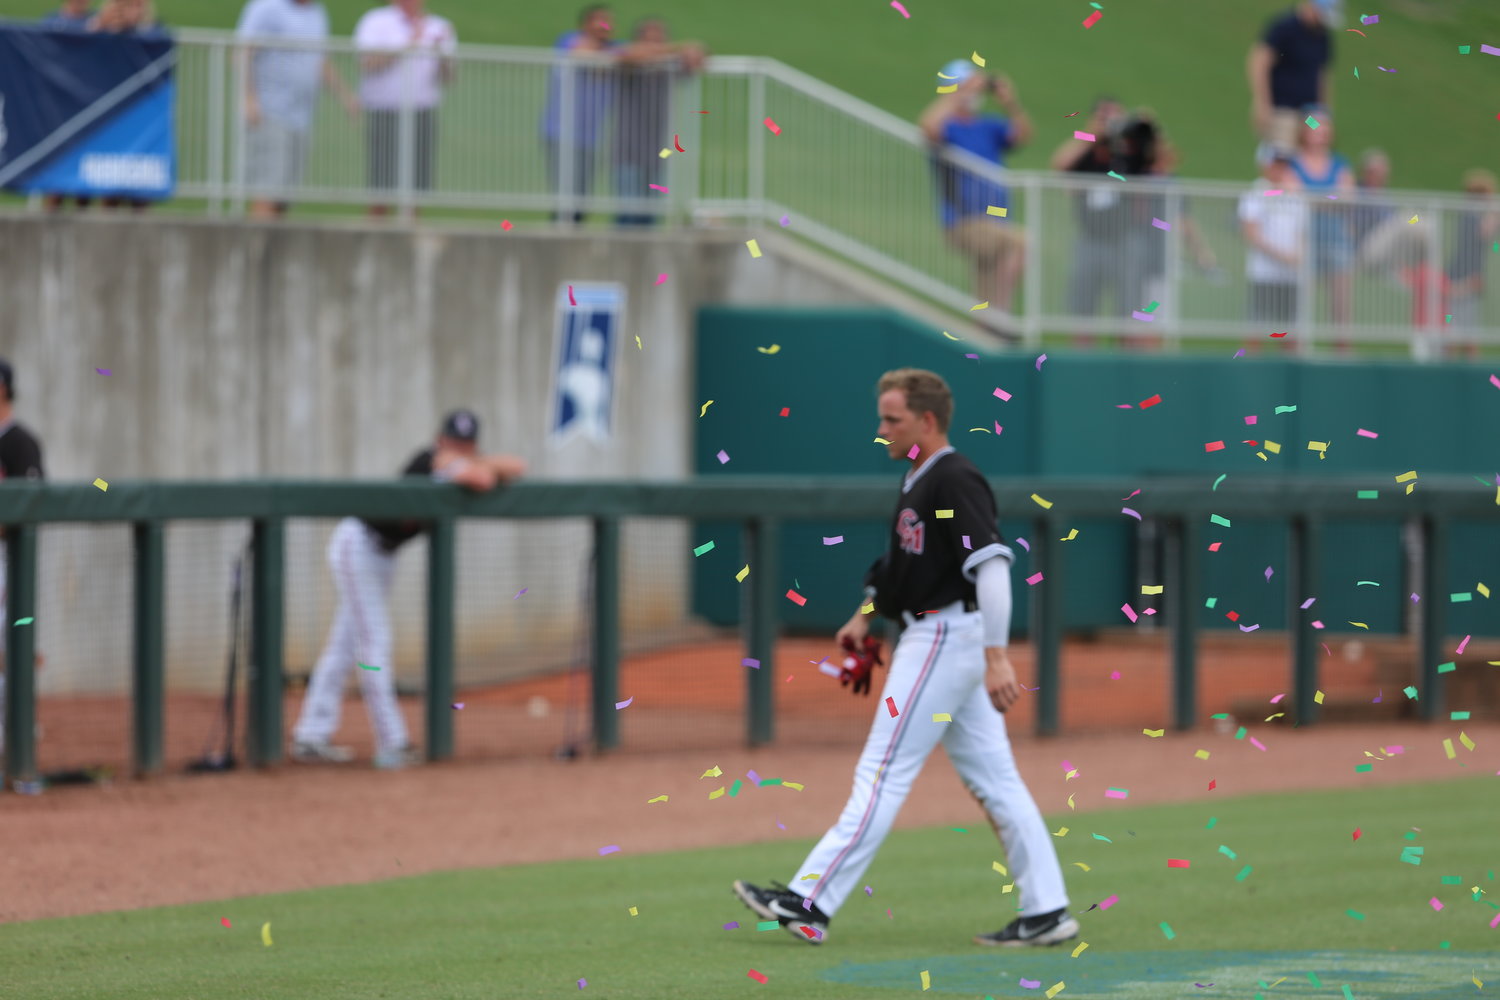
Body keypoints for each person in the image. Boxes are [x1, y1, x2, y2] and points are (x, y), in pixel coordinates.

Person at [733, 369, 1076, 949]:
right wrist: (867, 613)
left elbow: (992, 568)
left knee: (882, 771)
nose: (882, 428)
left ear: (928, 420)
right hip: (939, 635)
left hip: (947, 638)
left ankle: (810, 900)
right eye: (882, 417)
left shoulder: (955, 479)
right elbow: (904, 567)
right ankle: (1047, 910)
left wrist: (998, 657)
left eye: (892, 418)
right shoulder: (918, 476)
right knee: (997, 780)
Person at [289, 410, 525, 768]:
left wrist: (472, 458)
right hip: (359, 545)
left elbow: (516, 466)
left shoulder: (458, 460)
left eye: (466, 442)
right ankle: (392, 742)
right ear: (439, 438)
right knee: (375, 642)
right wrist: (467, 461)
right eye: (453, 440)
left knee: (343, 647)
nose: (457, 447)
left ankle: (310, 734)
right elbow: (480, 479)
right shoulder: (428, 459)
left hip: (383, 556)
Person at [542, 5, 698, 225]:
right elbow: (588, 52)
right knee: (567, 199)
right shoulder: (570, 40)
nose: (606, 26)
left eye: (608, 22)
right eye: (601, 21)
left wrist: (687, 52)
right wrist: (675, 49)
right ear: (585, 24)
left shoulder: (615, 49)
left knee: (582, 201)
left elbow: (639, 54)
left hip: (592, 138)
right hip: (561, 133)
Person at [920, 60, 1032, 320]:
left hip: (997, 216)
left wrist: (1009, 102)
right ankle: (999, 318)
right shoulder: (947, 126)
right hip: (964, 219)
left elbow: (1023, 135)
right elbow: (927, 127)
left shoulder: (987, 125)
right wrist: (957, 93)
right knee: (1021, 244)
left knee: (987, 279)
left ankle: (984, 326)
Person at [236, 0, 359, 220]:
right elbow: (244, 51)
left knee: (284, 197)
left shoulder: (317, 12)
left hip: (301, 118)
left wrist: (346, 97)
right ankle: (256, 252)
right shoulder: (266, 7)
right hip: (269, 113)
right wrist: (249, 98)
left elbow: (321, 61)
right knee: (267, 192)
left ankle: (273, 251)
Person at [1049, 99, 1158, 345]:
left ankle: (1128, 368)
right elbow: (1059, 164)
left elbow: (1160, 161)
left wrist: (1143, 127)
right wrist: (1092, 133)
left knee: (1131, 314)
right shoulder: (1087, 150)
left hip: (1126, 241)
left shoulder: (1131, 151)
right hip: (1089, 240)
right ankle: (1084, 366)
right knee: (1083, 313)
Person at [353, 0, 456, 217]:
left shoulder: (439, 26)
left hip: (422, 112)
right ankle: (374, 239)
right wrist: (407, 45)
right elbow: (367, 62)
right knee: (381, 186)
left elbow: (449, 78)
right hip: (385, 112)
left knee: (416, 188)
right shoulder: (376, 20)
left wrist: (442, 56)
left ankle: (410, 239)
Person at [611, 17, 705, 227]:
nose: (655, 47)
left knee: (652, 214)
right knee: (628, 212)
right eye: (650, 41)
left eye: (659, 41)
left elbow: (700, 60)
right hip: (627, 150)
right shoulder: (629, 59)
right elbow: (628, 56)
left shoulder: (670, 66)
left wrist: (694, 51)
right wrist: (678, 48)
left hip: (660, 151)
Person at [0, 360, 46, 757]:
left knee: (11, 645)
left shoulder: (21, 443)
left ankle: (18, 735)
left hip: (7, 564)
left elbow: (31, 508)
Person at [1290, 107, 1354, 339]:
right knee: (1300, 309)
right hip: (1303, 242)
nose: (1320, 131)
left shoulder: (1340, 163)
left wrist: (1313, 197)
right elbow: (1294, 194)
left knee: (1341, 311)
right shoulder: (1292, 162)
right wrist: (1330, 196)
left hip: (1337, 241)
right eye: (1315, 126)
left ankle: (1343, 355)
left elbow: (1347, 198)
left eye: (1325, 127)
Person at [1246, 0, 1338, 151]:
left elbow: (1322, 75)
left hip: (1309, 115)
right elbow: (1259, 62)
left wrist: (1325, 114)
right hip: (1283, 111)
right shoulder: (1285, 28)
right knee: (1283, 154)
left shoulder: (1322, 35)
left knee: (1312, 153)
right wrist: (1262, 103)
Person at [1238, 147, 1307, 328]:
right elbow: (1250, 232)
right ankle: (1245, 357)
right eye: (1276, 164)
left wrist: (1299, 257)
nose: (1280, 169)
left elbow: (1302, 232)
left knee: (1289, 331)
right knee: (1257, 328)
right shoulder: (1257, 192)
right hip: (1264, 275)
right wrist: (1283, 256)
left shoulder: (1295, 194)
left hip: (1291, 276)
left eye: (1283, 165)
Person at [1442, 168, 1499, 355]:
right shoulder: (1468, 216)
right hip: (1457, 284)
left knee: (1469, 335)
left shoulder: (1474, 216)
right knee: (1450, 328)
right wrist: (1495, 213)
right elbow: (1485, 232)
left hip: (1470, 285)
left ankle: (1476, 380)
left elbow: (1494, 245)